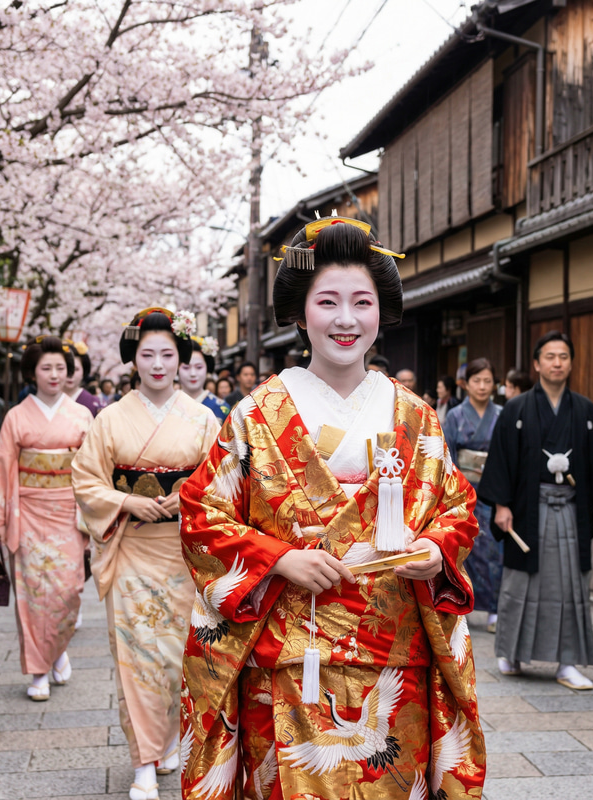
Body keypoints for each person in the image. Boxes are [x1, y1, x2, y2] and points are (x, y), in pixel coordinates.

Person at [178, 218, 486, 798]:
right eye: (328, 302)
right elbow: (200, 513)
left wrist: (436, 548)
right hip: (289, 655)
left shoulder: (414, 415)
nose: (346, 320)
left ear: (380, 312)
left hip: (395, 654)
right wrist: (276, 559)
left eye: (361, 302)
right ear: (301, 312)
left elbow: (458, 506)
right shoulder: (255, 415)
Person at [72, 308, 219, 800]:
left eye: (167, 354)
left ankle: (172, 737)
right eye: (147, 354)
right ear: (132, 360)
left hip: (182, 552)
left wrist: (190, 495)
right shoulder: (110, 418)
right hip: (131, 545)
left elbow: (221, 479)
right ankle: (142, 763)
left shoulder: (202, 418)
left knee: (179, 656)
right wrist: (125, 499)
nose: (157, 364)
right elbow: (86, 478)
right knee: (136, 657)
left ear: (183, 360)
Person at [479, 331, 593, 690]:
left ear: (570, 363)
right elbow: (502, 460)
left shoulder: (585, 410)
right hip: (528, 510)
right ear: (537, 363)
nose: (557, 363)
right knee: (520, 582)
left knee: (571, 584)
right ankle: (511, 651)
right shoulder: (517, 409)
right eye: (550, 356)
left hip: (571, 509)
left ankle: (567, 662)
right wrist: (501, 505)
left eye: (563, 356)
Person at [0, 337, 92, 700]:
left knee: (69, 590)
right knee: (32, 593)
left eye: (60, 367)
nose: (55, 374)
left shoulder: (81, 415)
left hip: (69, 513)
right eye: (46, 368)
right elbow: (1, 466)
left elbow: (92, 470)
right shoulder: (16, 416)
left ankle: (57, 648)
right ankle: (38, 669)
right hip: (26, 512)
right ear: (32, 373)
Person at [443, 358, 503, 633]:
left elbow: (506, 456)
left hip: (493, 489)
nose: (482, 386)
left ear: (494, 384)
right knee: (466, 548)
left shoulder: (501, 414)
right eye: (476, 381)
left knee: (495, 549)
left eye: (487, 381)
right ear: (466, 385)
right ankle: (464, 604)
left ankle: (495, 608)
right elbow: (449, 456)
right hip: (465, 489)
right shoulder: (455, 416)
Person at [178, 336, 229, 424]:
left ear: (207, 368)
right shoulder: (167, 405)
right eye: (186, 368)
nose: (193, 373)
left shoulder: (222, 407)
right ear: (176, 368)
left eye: (199, 367)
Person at [63, 341, 99, 417]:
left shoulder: (94, 403)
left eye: (76, 369)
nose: (70, 374)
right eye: (66, 368)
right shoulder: (47, 400)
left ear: (84, 371)